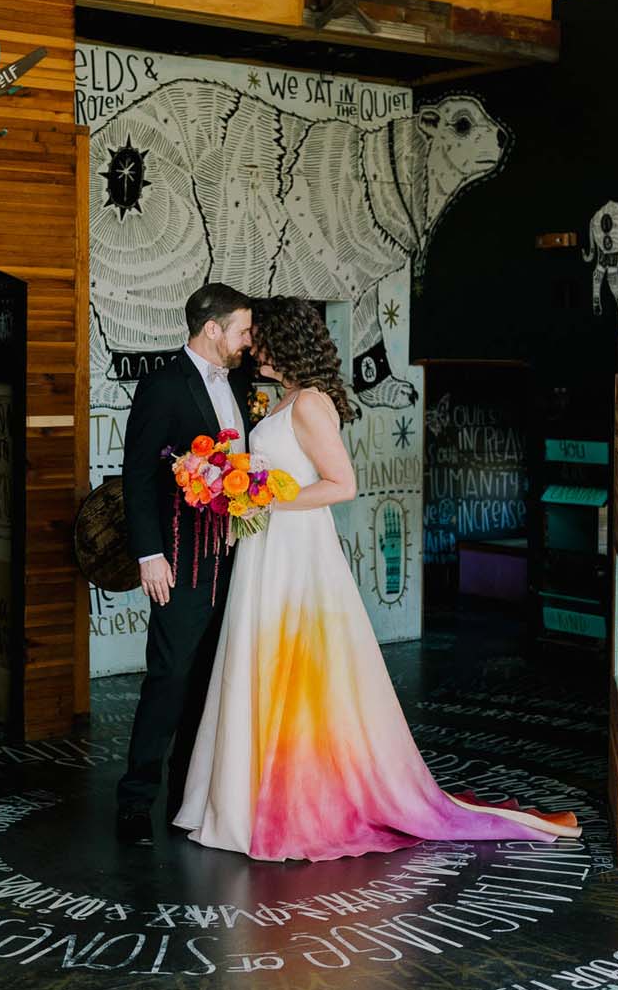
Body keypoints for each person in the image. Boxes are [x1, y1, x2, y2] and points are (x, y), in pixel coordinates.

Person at [175, 297, 579, 861]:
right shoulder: (286, 399)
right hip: (268, 548)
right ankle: (244, 797)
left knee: (293, 672)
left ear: (282, 342)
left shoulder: (310, 404)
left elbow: (342, 484)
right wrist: (242, 490)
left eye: (258, 337)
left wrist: (264, 498)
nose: (250, 347)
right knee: (258, 663)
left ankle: (286, 800)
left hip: (294, 550)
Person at [117, 282, 253, 846]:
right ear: (212, 328)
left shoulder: (237, 383)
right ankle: (135, 800)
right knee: (169, 677)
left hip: (234, 556)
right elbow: (138, 478)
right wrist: (150, 555)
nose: (249, 340)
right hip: (182, 558)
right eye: (243, 329)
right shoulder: (163, 386)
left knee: (207, 678)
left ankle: (186, 798)